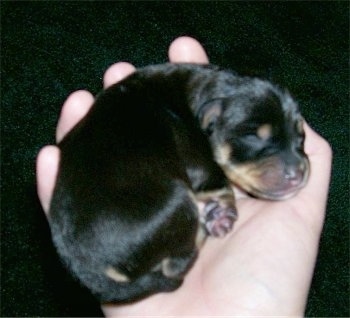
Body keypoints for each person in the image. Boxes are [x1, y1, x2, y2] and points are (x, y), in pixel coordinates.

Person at [36, 36, 332, 316]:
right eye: (259, 144)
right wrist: (216, 191)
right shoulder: (186, 115)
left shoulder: (172, 100)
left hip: (102, 228)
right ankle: (175, 256)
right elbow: (198, 164)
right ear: (210, 119)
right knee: (174, 201)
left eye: (297, 141)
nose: (294, 169)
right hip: (120, 221)